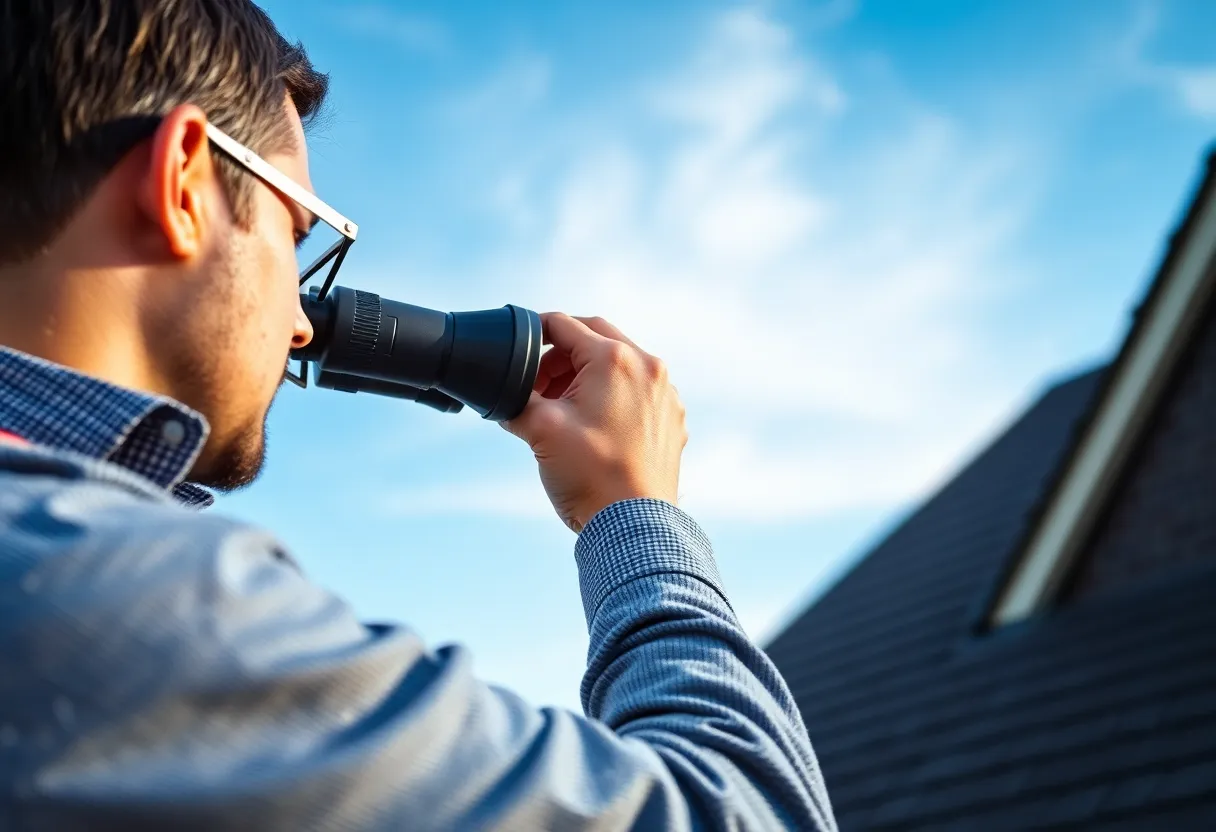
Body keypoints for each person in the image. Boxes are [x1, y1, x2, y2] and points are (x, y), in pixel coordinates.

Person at [0, 2, 835, 829]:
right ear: (183, 181)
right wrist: (636, 513)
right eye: (296, 237)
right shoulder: (111, 593)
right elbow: (744, 816)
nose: (299, 323)